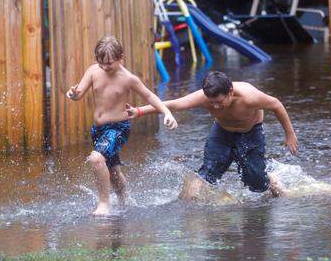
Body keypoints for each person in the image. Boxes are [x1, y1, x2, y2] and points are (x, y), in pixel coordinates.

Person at [127, 70, 298, 197]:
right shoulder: (204, 97)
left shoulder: (250, 97)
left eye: (219, 102)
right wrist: (139, 111)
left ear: (230, 91)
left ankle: (271, 180)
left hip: (250, 133)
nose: (215, 106)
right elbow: (173, 105)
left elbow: (276, 105)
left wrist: (289, 134)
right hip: (222, 133)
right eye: (212, 102)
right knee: (207, 175)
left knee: (256, 184)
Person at [67, 36, 178, 215]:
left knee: (96, 159)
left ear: (121, 58)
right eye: (101, 62)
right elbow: (79, 93)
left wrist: (166, 112)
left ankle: (104, 204)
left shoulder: (128, 79)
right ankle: (126, 200)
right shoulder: (94, 71)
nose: (105, 67)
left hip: (118, 128)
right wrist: (73, 94)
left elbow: (150, 96)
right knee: (112, 170)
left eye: (109, 63)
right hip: (98, 130)